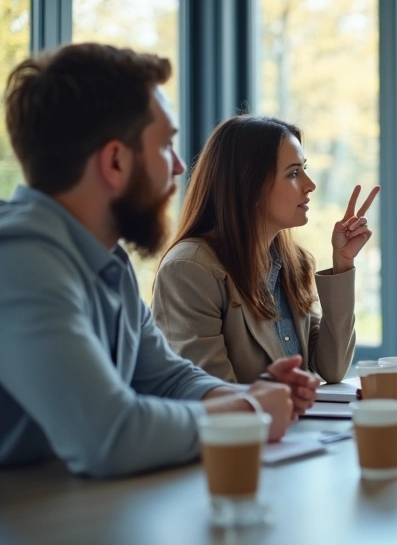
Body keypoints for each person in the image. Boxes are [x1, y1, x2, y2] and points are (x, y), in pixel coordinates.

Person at [0, 44, 315, 478]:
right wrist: (247, 409)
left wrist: (255, 393)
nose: (181, 166)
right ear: (115, 161)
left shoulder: (108, 261)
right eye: (166, 145)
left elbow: (168, 380)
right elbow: (109, 435)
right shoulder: (18, 261)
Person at [152, 116, 377, 384]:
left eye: (304, 168)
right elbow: (213, 397)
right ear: (249, 185)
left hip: (299, 424)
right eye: (294, 173)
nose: (310, 184)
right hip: (251, 427)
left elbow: (332, 368)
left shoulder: (295, 263)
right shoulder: (189, 269)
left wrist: (343, 263)